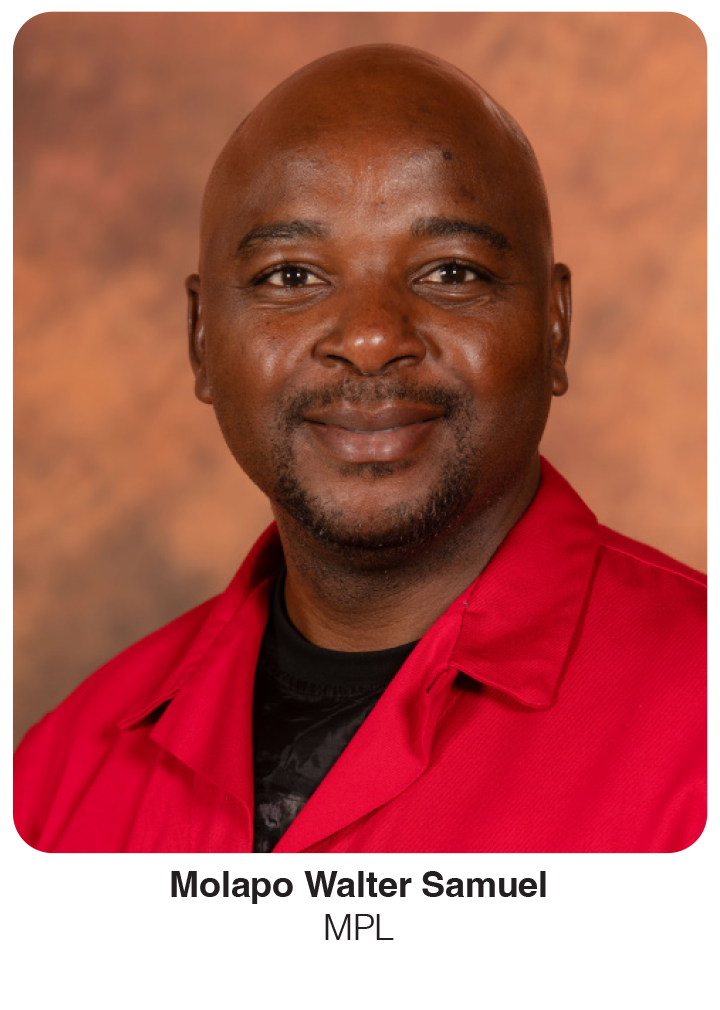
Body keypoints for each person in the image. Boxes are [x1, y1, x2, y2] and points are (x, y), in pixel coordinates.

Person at [14, 44, 705, 853]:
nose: (372, 338)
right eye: (291, 277)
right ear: (201, 340)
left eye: (451, 273)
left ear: (555, 327)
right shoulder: (60, 777)